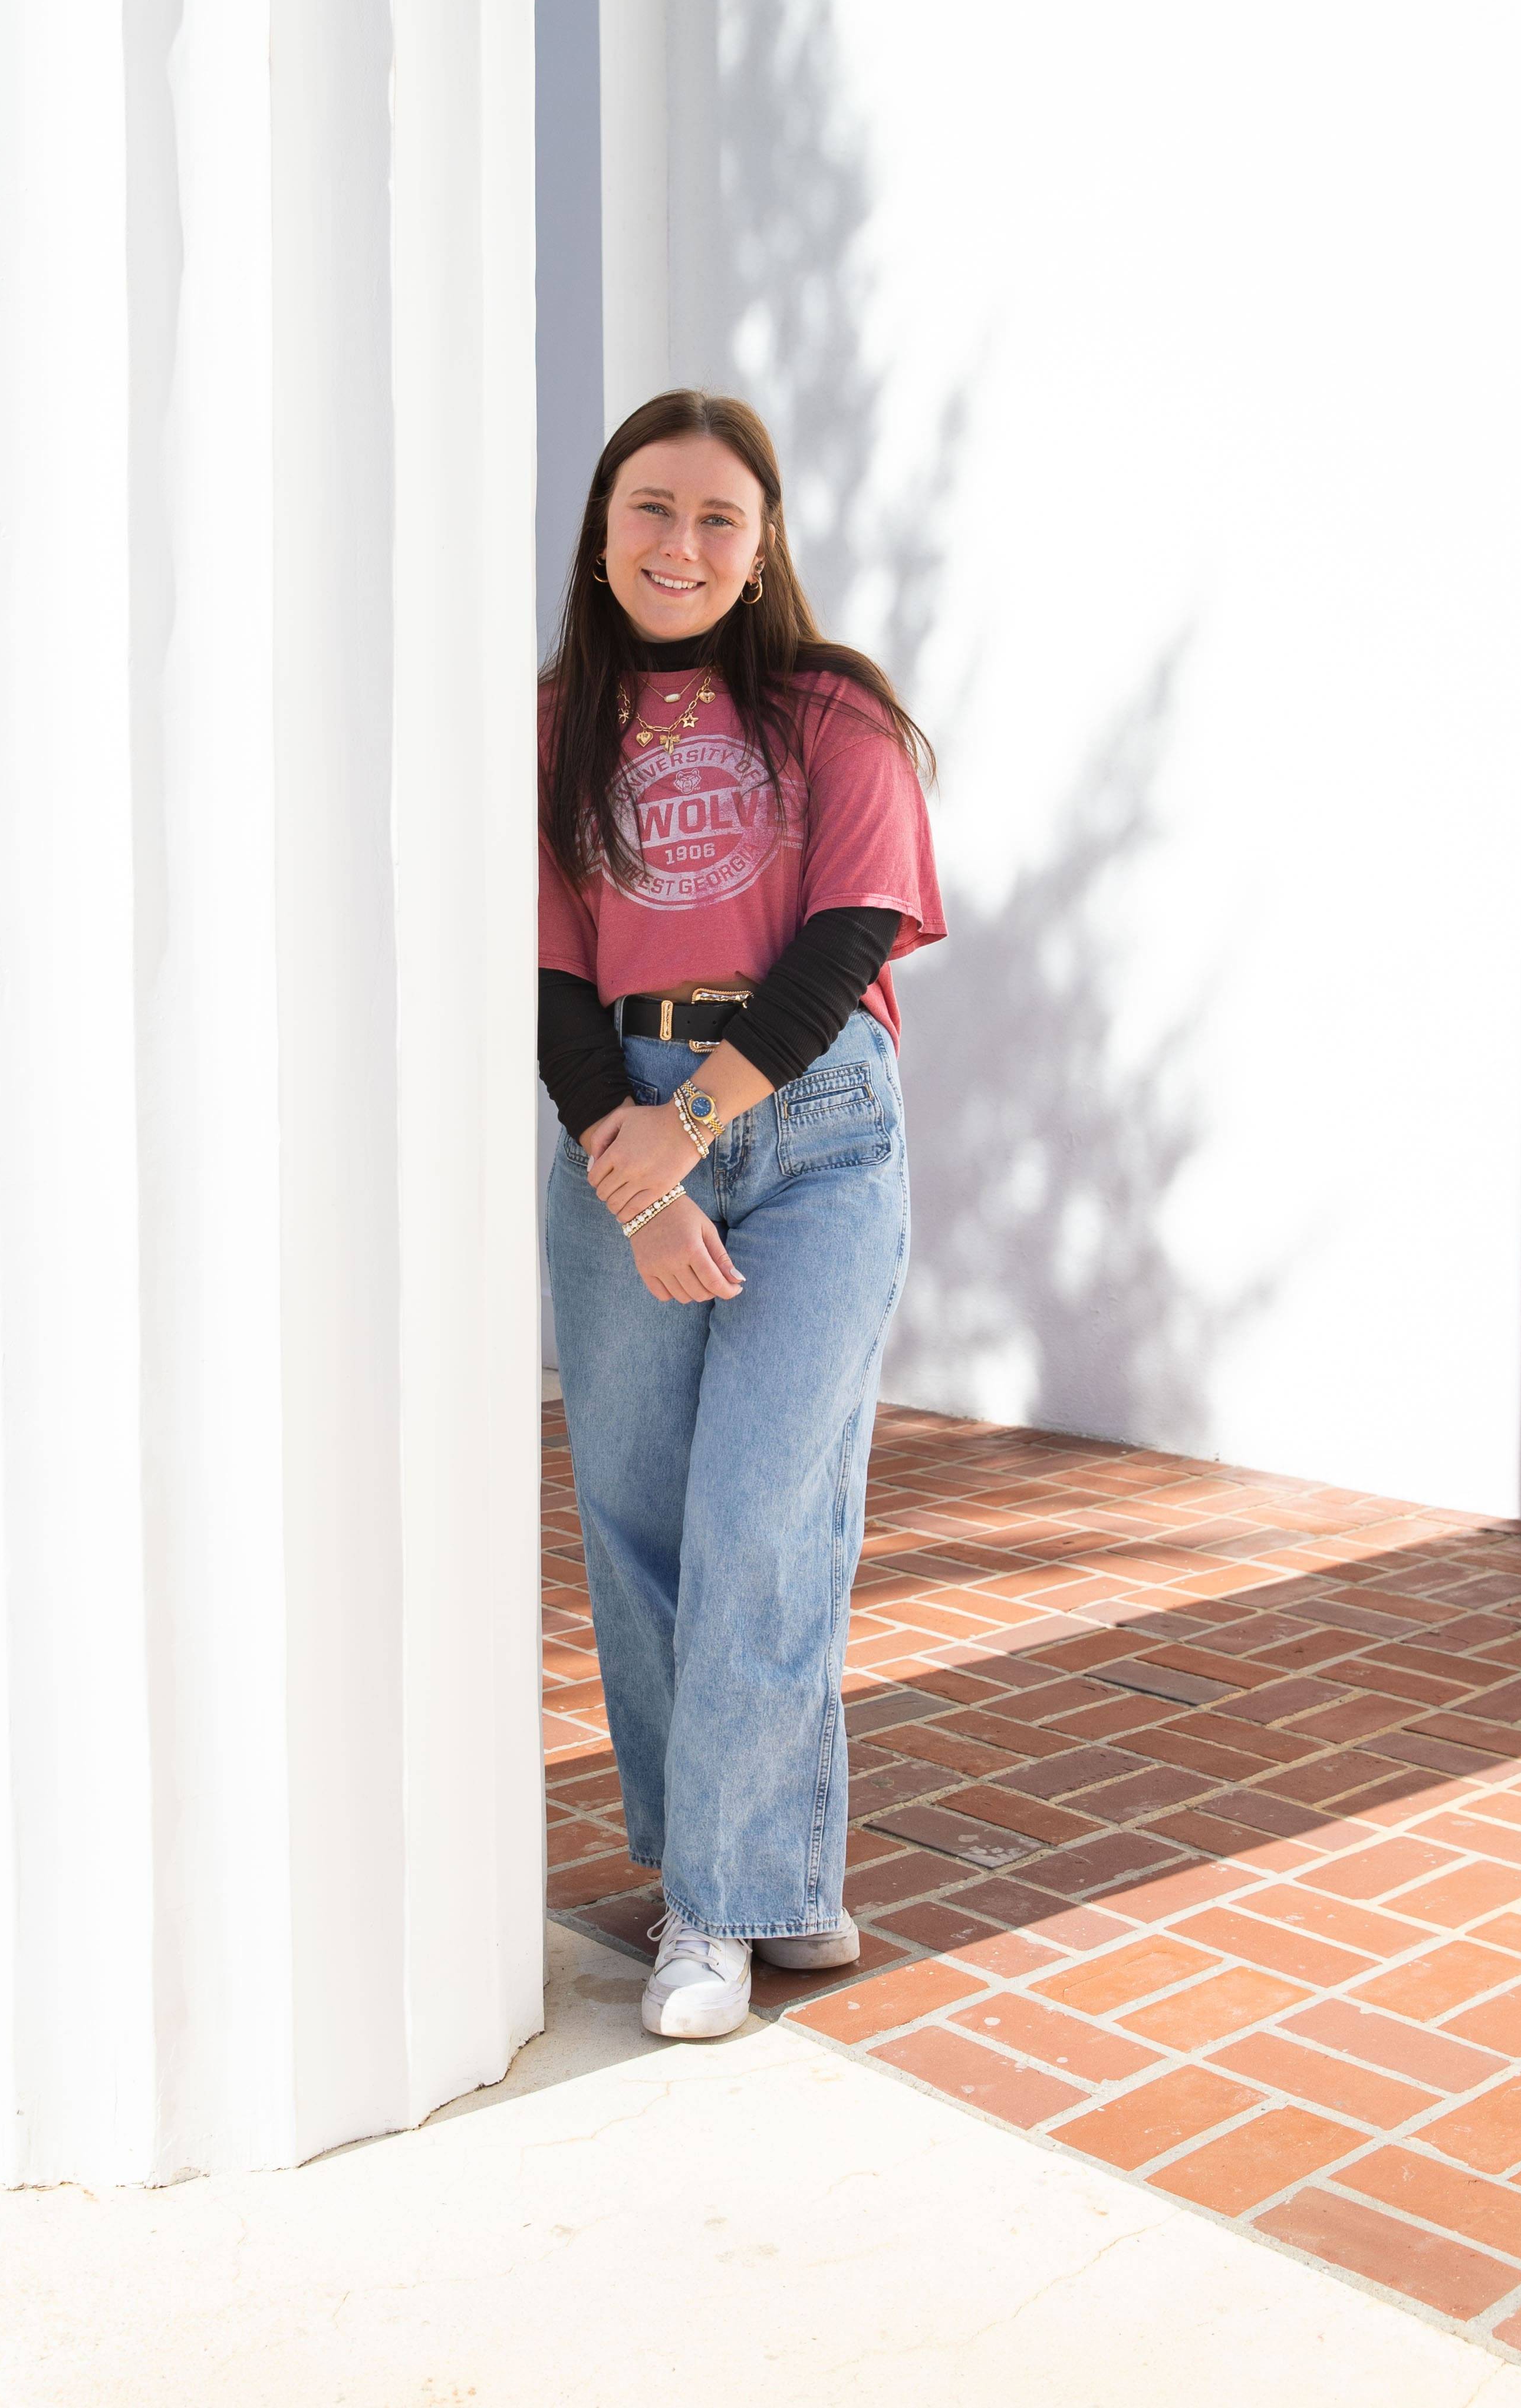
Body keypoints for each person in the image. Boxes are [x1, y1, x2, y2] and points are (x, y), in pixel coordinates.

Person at [539, 387, 944, 2040]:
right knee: (642, 1527)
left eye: (719, 516)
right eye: (653, 508)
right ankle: (749, 1865)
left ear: (763, 541)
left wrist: (687, 1134)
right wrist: (628, 1173)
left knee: (769, 1513)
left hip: (814, 1122)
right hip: (620, 1117)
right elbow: (551, 977)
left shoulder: (830, 709)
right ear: (604, 528)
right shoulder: (556, 724)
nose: (683, 543)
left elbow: (848, 931)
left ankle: (718, 1906)